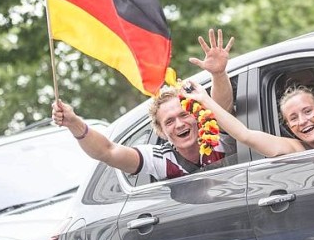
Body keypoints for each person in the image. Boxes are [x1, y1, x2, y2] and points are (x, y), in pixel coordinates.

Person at [52, 29, 235, 180]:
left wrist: (218, 74)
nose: (179, 125)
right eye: (169, 122)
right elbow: (107, 151)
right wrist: (73, 123)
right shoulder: (159, 159)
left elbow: (221, 109)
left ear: (197, 116)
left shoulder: (217, 136)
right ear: (162, 132)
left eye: (184, 115)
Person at [181, 81, 314, 157]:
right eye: (293, 118)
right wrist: (205, 100)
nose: (302, 121)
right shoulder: (295, 147)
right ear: (288, 125)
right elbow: (245, 135)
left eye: (308, 111)